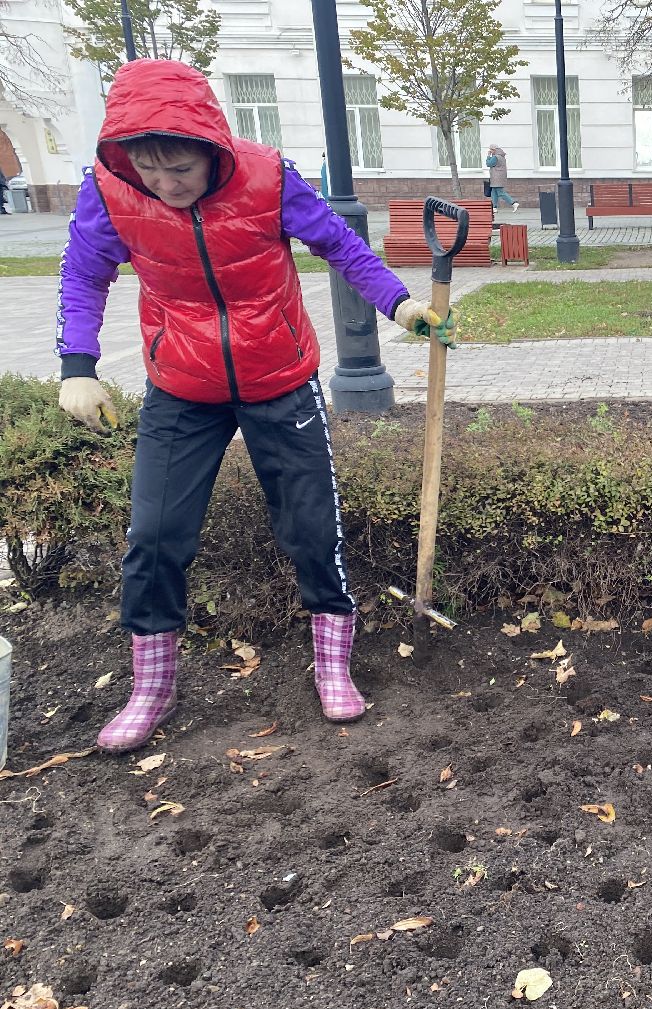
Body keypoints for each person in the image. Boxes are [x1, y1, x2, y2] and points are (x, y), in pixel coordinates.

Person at [54, 58, 455, 754]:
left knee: (310, 525)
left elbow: (340, 244)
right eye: (150, 169)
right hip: (182, 385)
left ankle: (332, 661)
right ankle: (150, 686)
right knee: (153, 535)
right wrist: (77, 368)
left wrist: (400, 303)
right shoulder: (110, 190)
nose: (165, 184)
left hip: (279, 378)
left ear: (212, 148)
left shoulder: (269, 177)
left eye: (179, 168)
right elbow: (85, 273)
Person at [486, 145, 518, 212]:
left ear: (494, 150)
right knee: (493, 192)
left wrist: (488, 156)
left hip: (496, 177)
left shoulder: (495, 157)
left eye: (491, 150)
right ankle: (494, 207)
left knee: (500, 192)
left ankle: (513, 203)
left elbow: (488, 164)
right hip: (500, 176)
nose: (490, 151)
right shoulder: (501, 156)